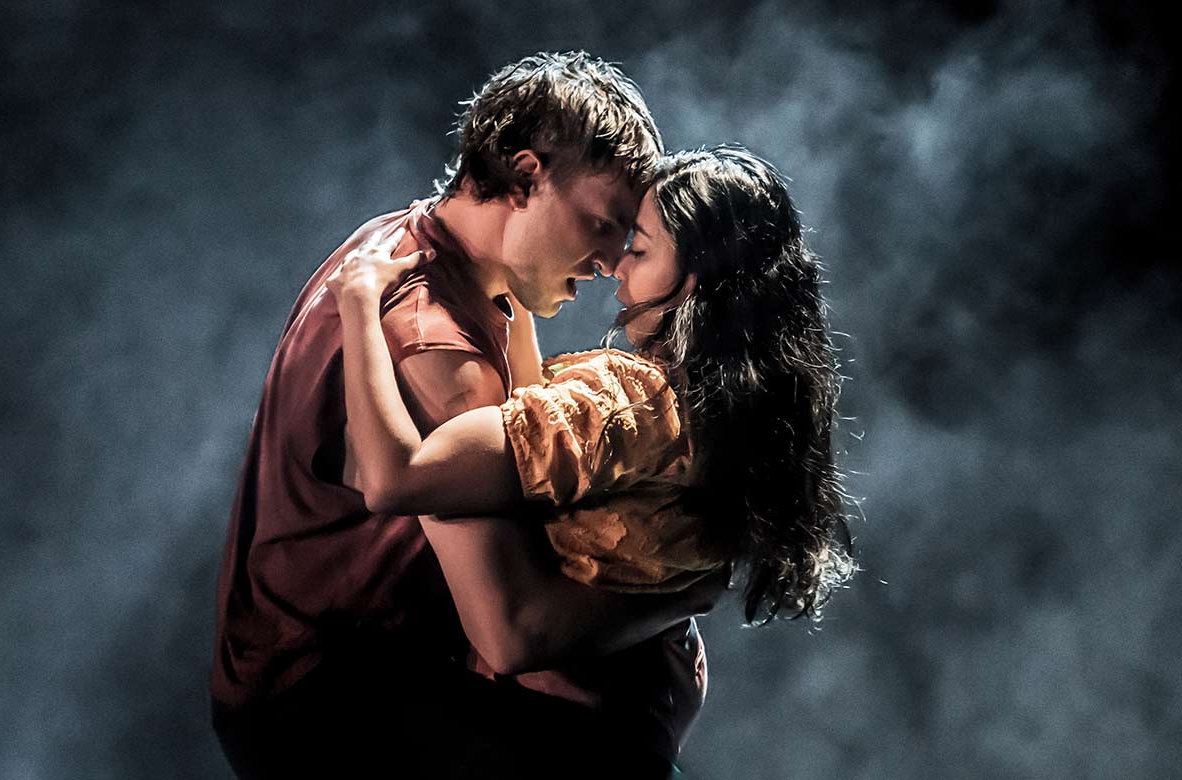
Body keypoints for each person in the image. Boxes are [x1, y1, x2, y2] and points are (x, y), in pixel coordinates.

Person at [211, 52, 721, 779]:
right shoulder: (436, 345)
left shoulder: (393, 240)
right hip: (331, 707)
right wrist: (686, 597)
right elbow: (512, 630)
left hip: (315, 675)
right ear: (524, 175)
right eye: (603, 224)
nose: (613, 261)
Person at [328, 144, 856, 759]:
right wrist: (519, 280)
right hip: (633, 723)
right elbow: (541, 449)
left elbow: (397, 478)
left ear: (694, 282)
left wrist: (360, 302)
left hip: (557, 733)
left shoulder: (632, 402)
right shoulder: (737, 415)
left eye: (638, 249)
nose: (615, 270)